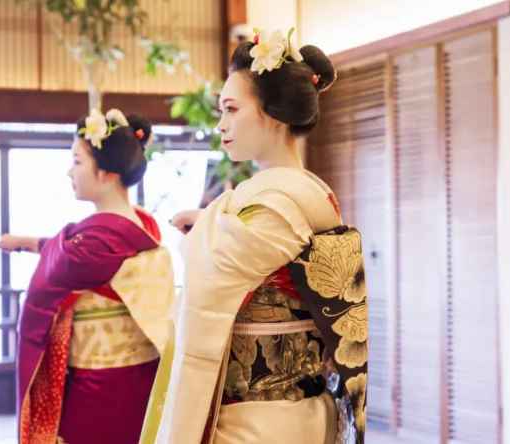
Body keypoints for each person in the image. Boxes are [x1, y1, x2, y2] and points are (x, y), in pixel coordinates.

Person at [152, 29, 368, 444]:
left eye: (232, 109)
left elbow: (212, 267)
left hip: (261, 418)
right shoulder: (298, 194)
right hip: (289, 412)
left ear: (273, 112)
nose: (221, 124)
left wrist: (207, 224)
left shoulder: (278, 203)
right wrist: (211, 219)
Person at [0, 109, 176, 444]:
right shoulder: (140, 226)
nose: (70, 171)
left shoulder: (100, 239)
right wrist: (26, 243)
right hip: (137, 376)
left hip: (100, 384)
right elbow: (64, 251)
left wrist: (30, 244)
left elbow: (62, 262)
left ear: (106, 173)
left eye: (77, 161)